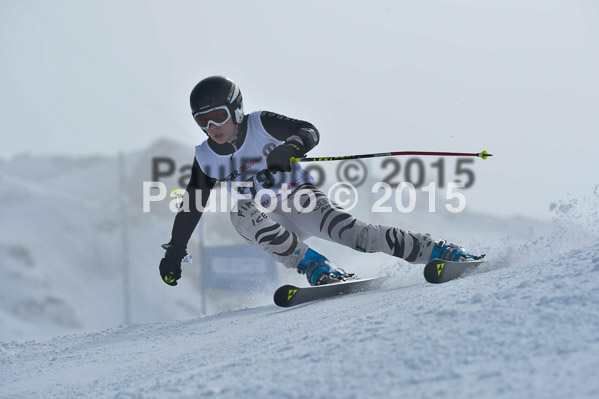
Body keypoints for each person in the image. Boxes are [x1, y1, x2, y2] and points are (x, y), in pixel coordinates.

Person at [159, 76, 481, 287]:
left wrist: (291, 147)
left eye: (218, 116)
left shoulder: (261, 124)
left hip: (302, 200)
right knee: (239, 212)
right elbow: (191, 205)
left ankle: (439, 250)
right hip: (266, 219)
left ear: (236, 109)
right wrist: (175, 252)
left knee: (362, 237)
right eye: (203, 120)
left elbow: (309, 130)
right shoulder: (205, 156)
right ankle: (316, 267)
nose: (212, 126)